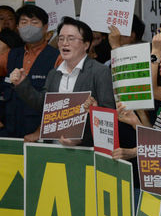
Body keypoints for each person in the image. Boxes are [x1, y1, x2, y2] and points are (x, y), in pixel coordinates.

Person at [9, 16, 114, 146]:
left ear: (86, 45)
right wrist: (22, 84)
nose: (65, 43)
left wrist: (82, 137)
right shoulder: (54, 73)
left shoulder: (99, 72)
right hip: (54, 147)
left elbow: (110, 116)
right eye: (61, 39)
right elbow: (43, 105)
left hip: (85, 150)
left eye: (71, 39)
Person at [0, 5, 62, 139]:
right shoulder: (10, 55)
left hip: (39, 133)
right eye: (23, 22)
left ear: (45, 28)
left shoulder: (58, 58)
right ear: (17, 27)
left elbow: (59, 101)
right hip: (9, 130)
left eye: (34, 22)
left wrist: (41, 131)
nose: (28, 26)